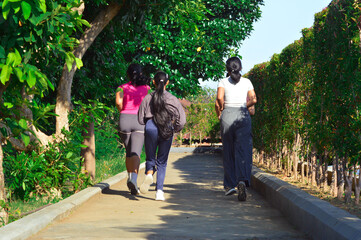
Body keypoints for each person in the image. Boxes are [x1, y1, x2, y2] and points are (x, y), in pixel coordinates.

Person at [138, 71, 186, 201]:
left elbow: (140, 118)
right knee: (162, 162)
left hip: (150, 127)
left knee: (150, 157)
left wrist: (148, 124)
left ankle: (149, 174)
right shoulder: (172, 99)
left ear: (153, 82)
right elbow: (182, 121)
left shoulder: (148, 98)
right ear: (167, 83)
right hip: (166, 128)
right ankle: (159, 191)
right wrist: (174, 129)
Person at [215, 57, 257, 201]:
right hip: (243, 115)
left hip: (227, 115)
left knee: (228, 150)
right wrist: (244, 105)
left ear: (227, 69)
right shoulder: (247, 82)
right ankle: (242, 180)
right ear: (240, 67)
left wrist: (222, 108)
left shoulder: (223, 82)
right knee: (243, 150)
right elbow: (254, 99)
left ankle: (230, 185)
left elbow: (219, 98)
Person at [115, 63, 150, 195]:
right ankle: (133, 181)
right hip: (139, 121)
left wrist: (122, 111)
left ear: (128, 74)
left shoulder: (121, 88)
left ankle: (130, 178)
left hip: (124, 120)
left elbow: (118, 102)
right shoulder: (147, 88)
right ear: (140, 73)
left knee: (129, 151)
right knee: (136, 152)